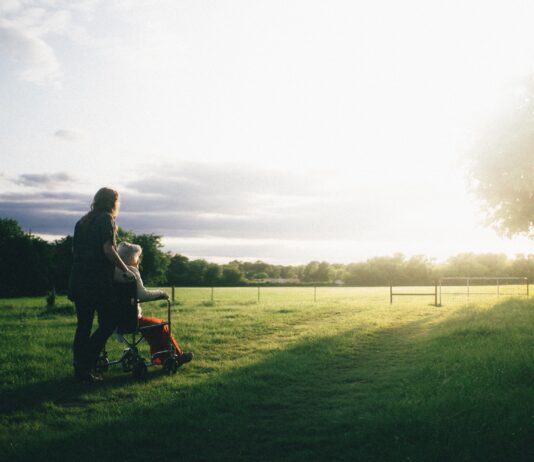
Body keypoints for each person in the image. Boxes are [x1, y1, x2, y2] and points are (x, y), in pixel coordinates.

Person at [68, 187, 135, 383]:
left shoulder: (82, 221)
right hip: (96, 283)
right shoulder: (106, 219)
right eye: (118, 201)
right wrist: (125, 269)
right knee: (109, 322)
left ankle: (80, 369)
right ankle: (85, 364)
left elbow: (75, 251)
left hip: (78, 280)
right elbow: (108, 249)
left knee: (84, 326)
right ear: (112, 202)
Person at [114, 242, 193, 366]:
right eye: (137, 257)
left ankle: (167, 356)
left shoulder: (111, 271)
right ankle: (174, 356)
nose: (138, 259)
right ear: (130, 258)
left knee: (153, 325)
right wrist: (162, 293)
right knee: (160, 325)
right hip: (131, 319)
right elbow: (143, 295)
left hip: (113, 320)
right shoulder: (131, 271)